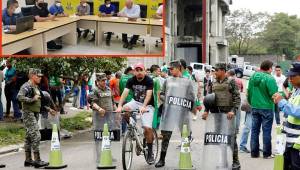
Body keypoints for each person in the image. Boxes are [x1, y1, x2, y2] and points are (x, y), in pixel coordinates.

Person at [155, 60, 197, 168]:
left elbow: (192, 97)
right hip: (169, 112)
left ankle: (187, 158)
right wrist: (167, 99)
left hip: (182, 113)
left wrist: (193, 108)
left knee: (185, 137)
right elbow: (162, 94)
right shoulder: (167, 81)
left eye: (172, 69)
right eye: (169, 69)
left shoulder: (187, 81)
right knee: (165, 137)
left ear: (178, 68)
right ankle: (161, 159)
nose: (170, 71)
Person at [202, 63, 241, 170]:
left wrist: (233, 111)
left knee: (231, 138)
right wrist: (206, 111)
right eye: (214, 70)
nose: (215, 72)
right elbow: (209, 98)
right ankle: (224, 160)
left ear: (223, 71)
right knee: (220, 139)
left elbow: (237, 98)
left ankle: (236, 162)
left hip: (228, 115)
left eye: (217, 70)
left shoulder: (231, 81)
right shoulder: (212, 82)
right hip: (217, 115)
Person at [116, 63, 155, 164]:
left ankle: (150, 153)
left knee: (147, 128)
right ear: (134, 72)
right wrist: (120, 106)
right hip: (136, 102)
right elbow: (124, 93)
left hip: (148, 105)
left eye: (140, 70)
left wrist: (144, 106)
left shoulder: (149, 80)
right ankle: (131, 127)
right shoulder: (131, 80)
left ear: (144, 71)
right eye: (136, 70)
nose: (139, 72)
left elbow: (149, 95)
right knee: (125, 108)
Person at [17, 68, 49, 168]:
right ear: (31, 76)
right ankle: (37, 160)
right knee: (36, 135)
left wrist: (48, 109)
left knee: (29, 137)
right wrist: (31, 99)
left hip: (35, 113)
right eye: (37, 76)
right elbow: (19, 97)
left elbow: (39, 101)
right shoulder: (26, 86)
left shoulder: (36, 86)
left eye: (40, 76)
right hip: (28, 113)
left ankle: (28, 160)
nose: (40, 78)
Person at [247, 60, 278, 159]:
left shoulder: (252, 77)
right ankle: (266, 153)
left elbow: (249, 92)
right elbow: (274, 94)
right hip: (267, 107)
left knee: (255, 131)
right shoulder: (270, 78)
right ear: (269, 68)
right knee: (266, 131)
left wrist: (252, 103)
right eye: (272, 68)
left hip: (255, 106)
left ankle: (254, 153)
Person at [273, 62, 300, 170]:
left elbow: (297, 111)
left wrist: (282, 102)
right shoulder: (296, 90)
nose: (290, 79)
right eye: (289, 76)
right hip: (290, 141)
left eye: (293, 76)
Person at [88, 73, 120, 163]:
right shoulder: (94, 90)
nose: (104, 82)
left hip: (110, 116)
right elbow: (92, 102)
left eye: (105, 80)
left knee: (109, 136)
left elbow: (112, 102)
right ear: (97, 81)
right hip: (99, 117)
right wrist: (99, 108)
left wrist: (116, 111)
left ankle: (108, 154)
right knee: (99, 137)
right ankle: (98, 156)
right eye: (102, 80)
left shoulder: (109, 89)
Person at [119, 67, 134, 134]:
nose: (134, 72)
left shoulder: (121, 78)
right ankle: (133, 130)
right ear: (130, 71)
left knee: (124, 115)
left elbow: (120, 89)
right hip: (131, 99)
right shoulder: (132, 78)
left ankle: (123, 131)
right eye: (133, 71)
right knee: (133, 115)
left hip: (123, 99)